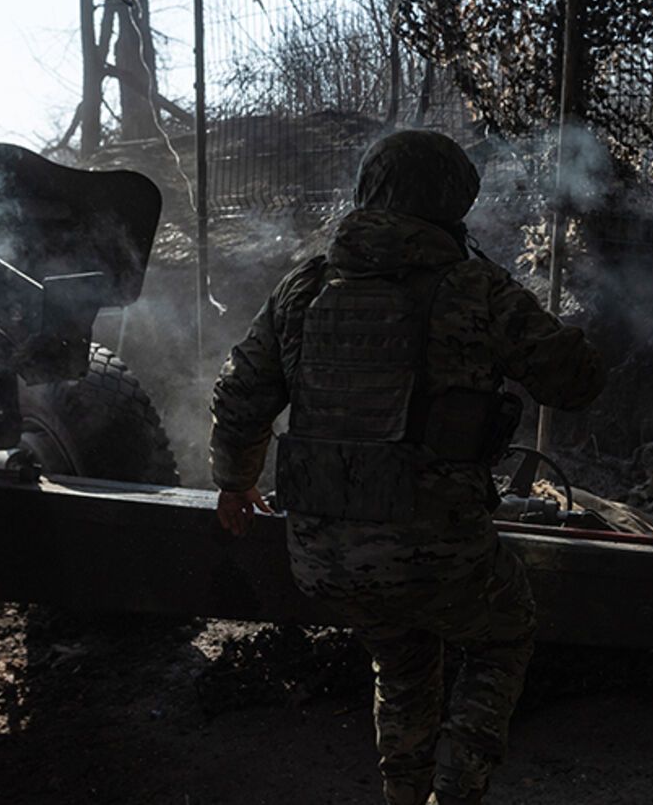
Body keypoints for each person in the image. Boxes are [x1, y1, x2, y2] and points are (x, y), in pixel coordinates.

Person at [209, 129, 605, 805]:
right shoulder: (474, 288)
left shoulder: (303, 286)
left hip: (324, 558)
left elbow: (242, 395)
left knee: (401, 656)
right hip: (438, 550)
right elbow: (572, 379)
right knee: (504, 629)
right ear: (451, 204)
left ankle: (404, 794)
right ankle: (456, 786)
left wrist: (234, 479)